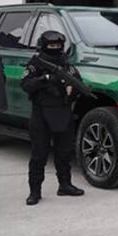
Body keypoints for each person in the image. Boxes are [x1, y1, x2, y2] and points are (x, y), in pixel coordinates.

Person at [20, 30, 84, 205]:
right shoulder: (35, 64)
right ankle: (34, 192)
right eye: (51, 46)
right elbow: (25, 84)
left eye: (58, 46)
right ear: (43, 46)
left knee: (64, 153)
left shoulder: (67, 65)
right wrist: (46, 79)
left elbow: (80, 84)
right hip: (41, 114)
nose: (55, 49)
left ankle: (65, 185)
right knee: (39, 155)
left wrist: (73, 89)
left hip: (63, 112)